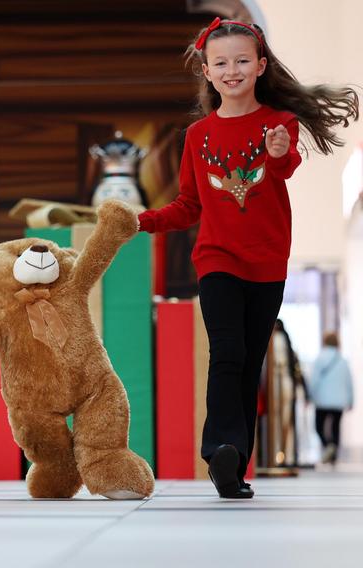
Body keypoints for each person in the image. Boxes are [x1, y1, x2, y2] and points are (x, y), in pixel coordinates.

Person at [137, 18, 359, 498]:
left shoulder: (280, 123)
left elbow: (283, 167)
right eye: (221, 63)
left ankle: (233, 466)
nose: (232, 70)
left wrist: (279, 150)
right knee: (228, 352)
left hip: (268, 262)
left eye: (242, 61)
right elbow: (189, 206)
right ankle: (220, 446)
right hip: (217, 258)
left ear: (260, 66)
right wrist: (142, 221)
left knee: (251, 357)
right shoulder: (197, 136)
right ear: (208, 72)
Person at [309, 332, 354, 465]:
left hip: (322, 400)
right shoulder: (343, 361)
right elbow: (349, 382)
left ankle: (328, 445)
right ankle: (333, 454)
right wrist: (351, 400)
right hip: (339, 401)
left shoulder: (319, 359)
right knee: (335, 427)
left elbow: (314, 380)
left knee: (318, 426)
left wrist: (310, 395)